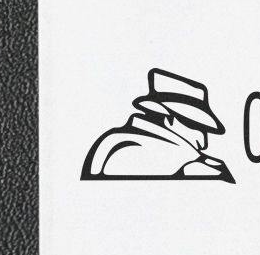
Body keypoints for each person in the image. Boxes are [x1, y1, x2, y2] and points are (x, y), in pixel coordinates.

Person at [81, 69, 234, 182]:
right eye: (196, 127)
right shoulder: (133, 148)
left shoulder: (120, 141)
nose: (204, 142)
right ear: (170, 119)